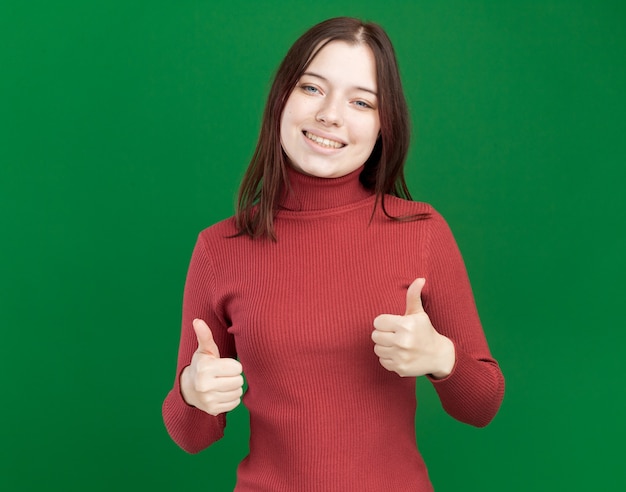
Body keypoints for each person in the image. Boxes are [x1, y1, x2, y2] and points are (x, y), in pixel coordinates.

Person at [162, 16, 504, 491]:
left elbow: (482, 405)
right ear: (281, 97)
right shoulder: (220, 247)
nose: (330, 114)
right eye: (312, 88)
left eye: (361, 101)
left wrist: (440, 355)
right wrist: (192, 392)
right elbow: (191, 436)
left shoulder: (421, 230)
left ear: (385, 125)